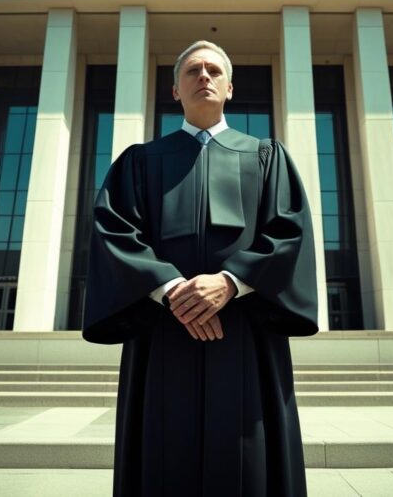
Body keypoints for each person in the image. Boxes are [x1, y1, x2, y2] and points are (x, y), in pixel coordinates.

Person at [82, 40, 318, 496]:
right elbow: (113, 230)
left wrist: (231, 283)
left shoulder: (267, 158)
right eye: (193, 71)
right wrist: (172, 289)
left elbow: (289, 232)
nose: (204, 77)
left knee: (250, 458)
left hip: (244, 332)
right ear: (175, 90)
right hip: (164, 331)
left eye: (214, 71)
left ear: (230, 87)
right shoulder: (139, 162)